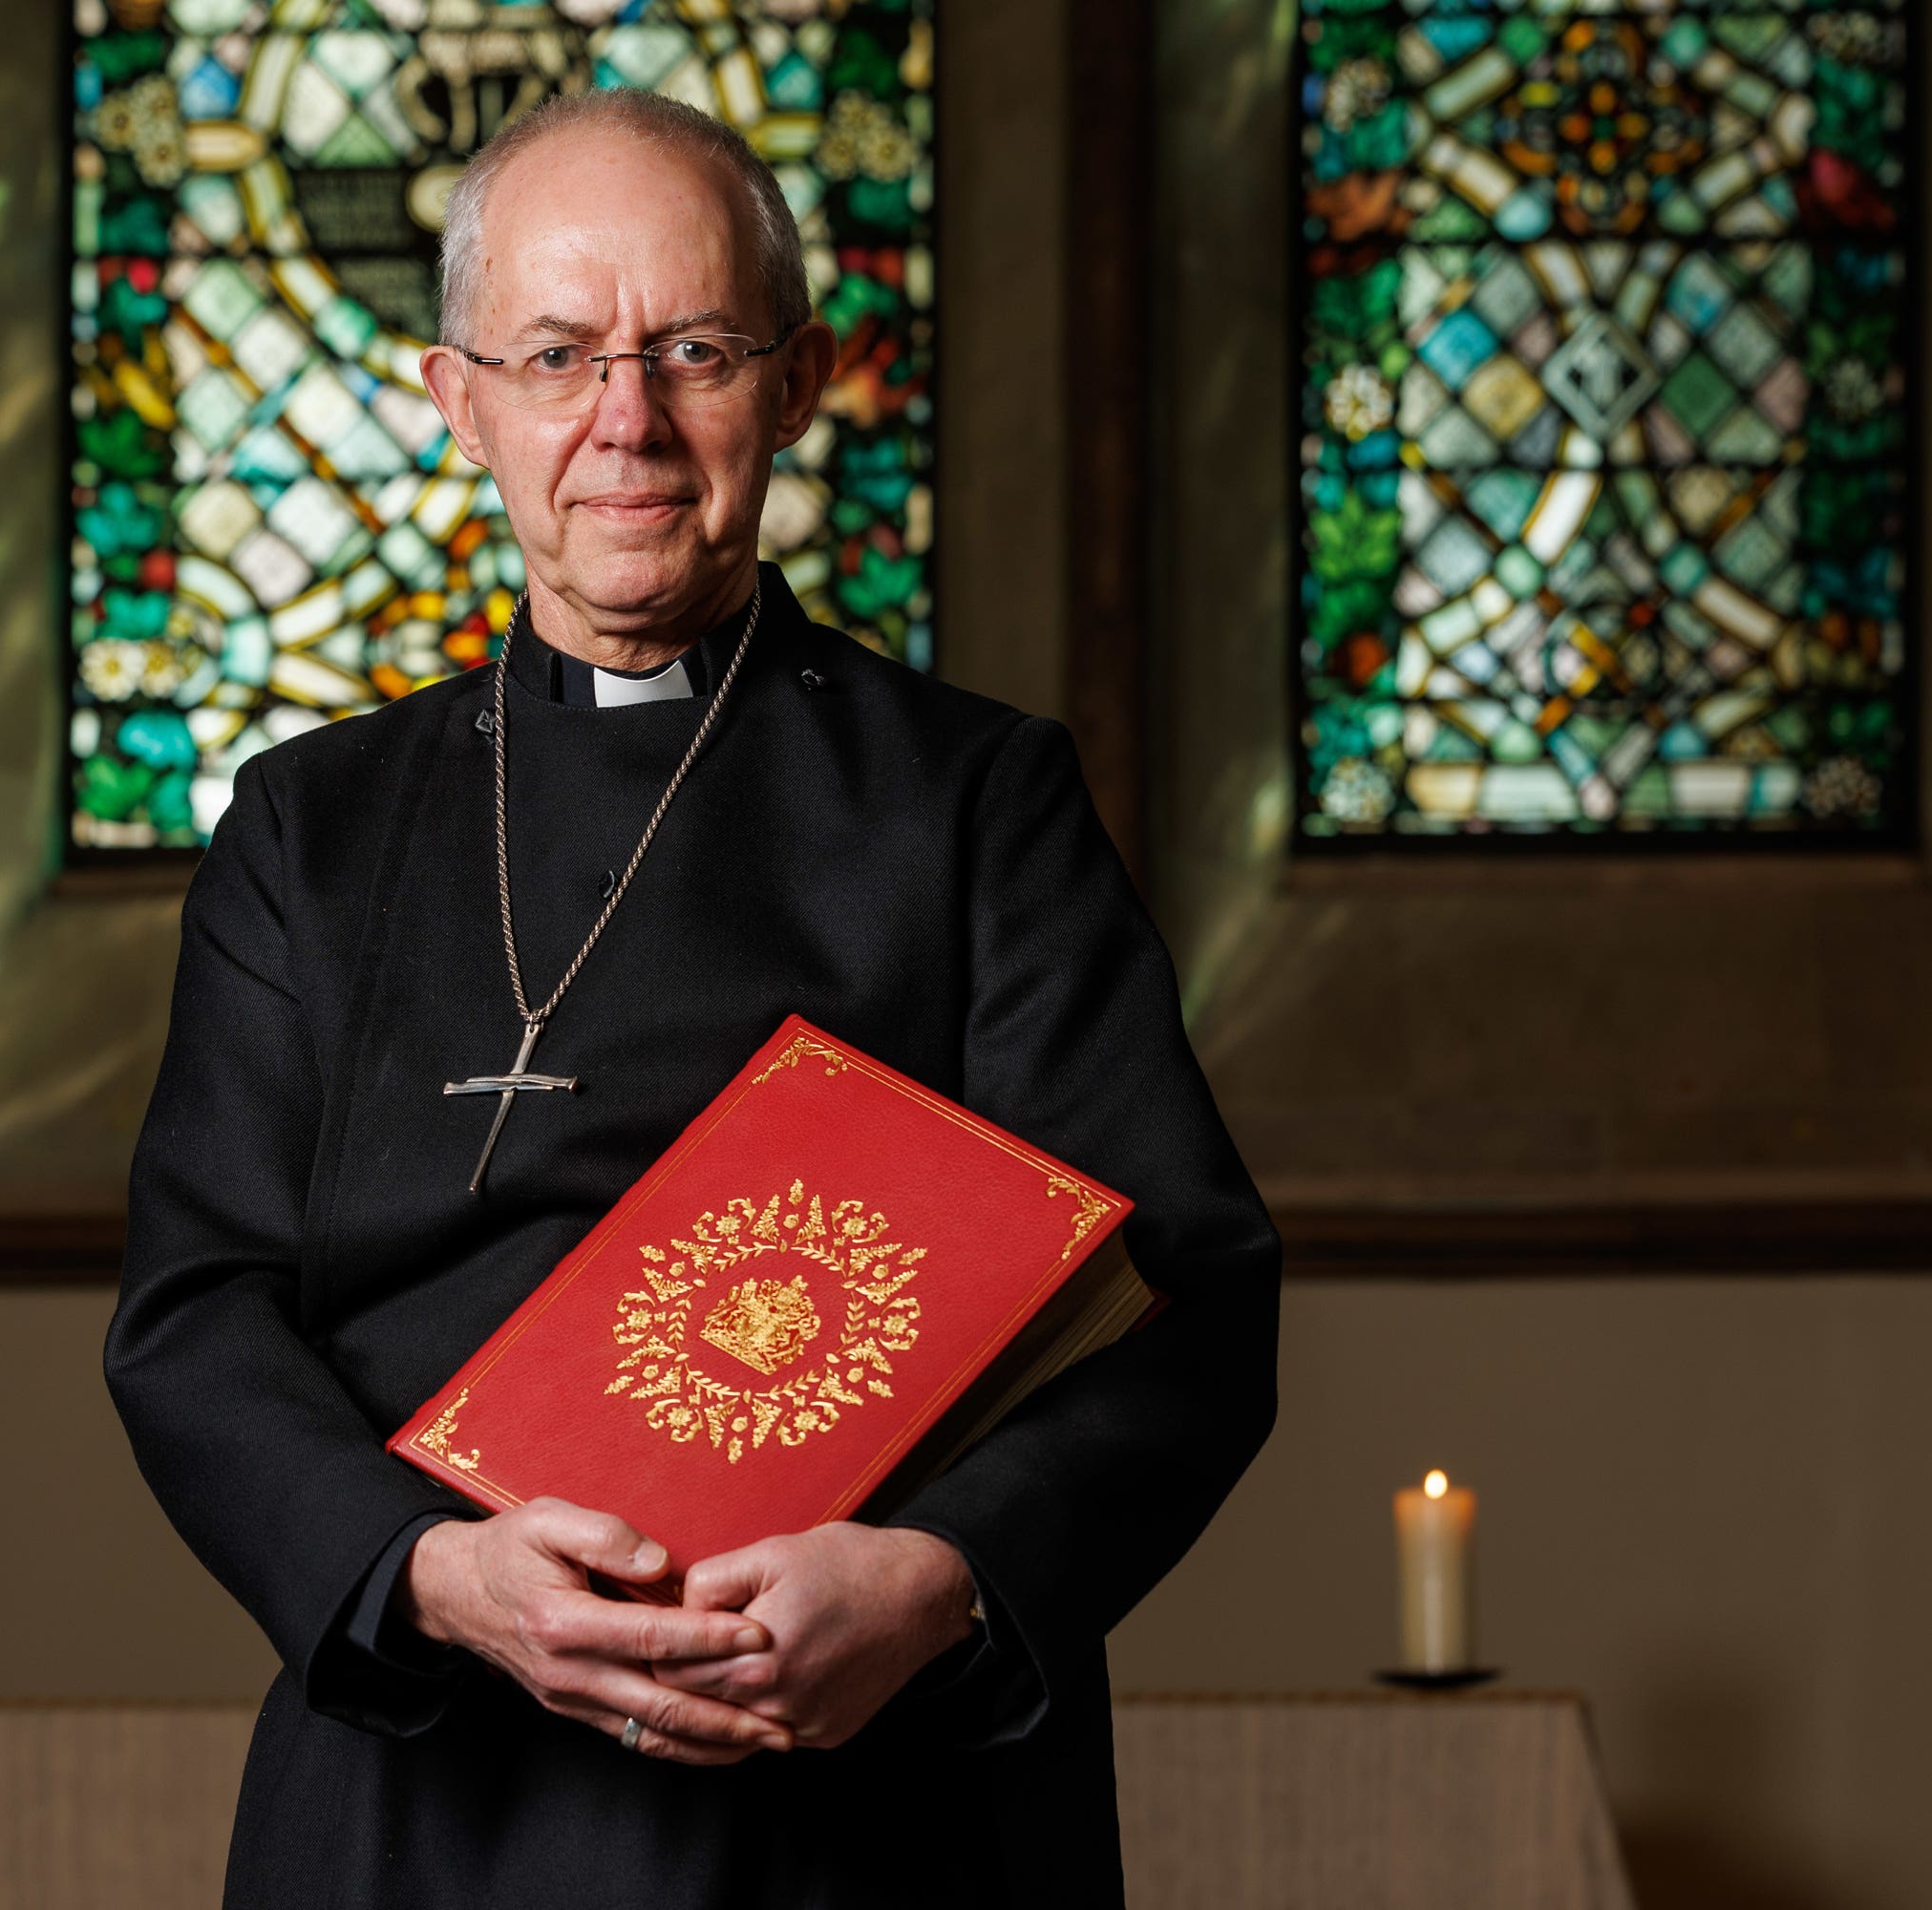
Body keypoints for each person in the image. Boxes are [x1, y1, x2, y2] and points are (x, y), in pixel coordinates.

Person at [105, 88, 1279, 1909]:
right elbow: (193, 1320)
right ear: (458, 398)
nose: (623, 421)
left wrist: (941, 1577)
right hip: (427, 1800)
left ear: (797, 385)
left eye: (696, 352)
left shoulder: (977, 805)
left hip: (871, 1811)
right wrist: (425, 1575)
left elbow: (1187, 1303)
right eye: (559, 353)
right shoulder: (306, 832)